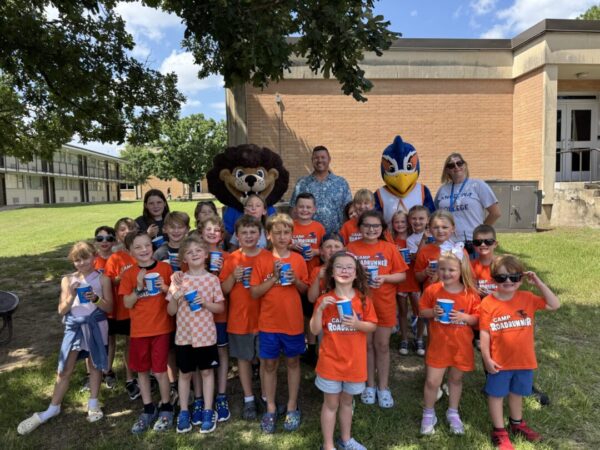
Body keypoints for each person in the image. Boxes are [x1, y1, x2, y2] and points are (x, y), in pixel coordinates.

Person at [17, 242, 113, 435]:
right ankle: (54, 407)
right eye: (77, 260)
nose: (81, 263)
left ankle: (93, 403)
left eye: (85, 258)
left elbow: (109, 308)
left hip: (96, 326)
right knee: (64, 368)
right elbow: (61, 310)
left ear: (94, 257)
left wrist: (95, 298)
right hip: (74, 327)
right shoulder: (67, 280)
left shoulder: (103, 279)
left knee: (94, 365)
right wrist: (70, 296)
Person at [479, 255, 559, 449]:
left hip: (524, 361)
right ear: (493, 279)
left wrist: (538, 283)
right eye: (502, 277)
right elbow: (484, 334)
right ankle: (499, 431)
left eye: (514, 277)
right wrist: (487, 358)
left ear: (521, 279)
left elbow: (555, 304)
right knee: (496, 395)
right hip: (500, 362)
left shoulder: (527, 298)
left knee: (517, 393)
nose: (508, 281)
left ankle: (517, 424)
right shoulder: (488, 303)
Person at [310, 251, 377, 450]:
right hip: (330, 362)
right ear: (331, 272)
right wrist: (320, 309)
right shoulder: (324, 299)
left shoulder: (364, 300)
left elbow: (372, 326)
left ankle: (346, 440)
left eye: (349, 267)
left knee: (347, 403)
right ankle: (328, 445)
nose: (345, 270)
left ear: (356, 273)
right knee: (331, 404)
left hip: (354, 363)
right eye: (339, 266)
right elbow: (313, 330)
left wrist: (357, 323)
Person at [250, 213, 309, 434]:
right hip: (268, 323)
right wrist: (273, 278)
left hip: (292, 322)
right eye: (277, 232)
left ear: (292, 235)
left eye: (286, 232)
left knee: (293, 363)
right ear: (269, 235)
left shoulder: (298, 259)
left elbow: (305, 291)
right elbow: (254, 292)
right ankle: (271, 407)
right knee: (269, 365)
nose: (282, 236)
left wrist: (295, 280)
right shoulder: (262, 259)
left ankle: (292, 406)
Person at [418, 242, 480, 435]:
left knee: (455, 380)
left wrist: (465, 317)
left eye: (451, 270)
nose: (446, 273)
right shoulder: (433, 290)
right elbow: (421, 311)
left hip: (461, 347)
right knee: (431, 382)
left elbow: (478, 318)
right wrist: (432, 312)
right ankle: (428, 413)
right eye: (442, 269)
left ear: (461, 270)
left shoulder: (470, 294)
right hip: (438, 345)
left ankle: (452, 412)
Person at [347, 210, 407, 408]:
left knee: (382, 346)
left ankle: (383, 387)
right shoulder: (352, 248)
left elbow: (402, 275)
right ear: (360, 227)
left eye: (376, 226)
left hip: (384, 303)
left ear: (382, 228)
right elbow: (343, 273)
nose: (371, 229)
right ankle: (369, 385)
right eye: (367, 225)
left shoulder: (390, 248)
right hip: (361, 304)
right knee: (367, 346)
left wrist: (385, 278)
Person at [167, 236, 225, 434]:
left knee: (207, 372)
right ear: (183, 257)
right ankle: (184, 411)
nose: (194, 255)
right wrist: (175, 297)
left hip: (206, 336)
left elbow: (220, 308)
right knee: (185, 374)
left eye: (198, 251)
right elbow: (171, 312)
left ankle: (208, 410)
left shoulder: (212, 279)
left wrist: (205, 303)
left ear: (206, 255)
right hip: (184, 336)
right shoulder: (178, 279)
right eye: (189, 252)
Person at [120, 231, 174, 434]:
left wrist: (164, 287)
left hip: (161, 328)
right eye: (138, 247)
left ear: (152, 246)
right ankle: (148, 407)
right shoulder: (129, 274)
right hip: (139, 331)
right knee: (142, 370)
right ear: (130, 252)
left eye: (147, 245)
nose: (144, 250)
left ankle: (167, 406)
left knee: (160, 370)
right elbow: (127, 302)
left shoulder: (165, 268)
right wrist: (139, 286)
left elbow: (174, 296)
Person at [219, 215, 270, 420]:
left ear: (260, 235)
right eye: (244, 233)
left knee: (266, 360)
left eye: (253, 232)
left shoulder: (268, 257)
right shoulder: (232, 259)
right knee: (244, 359)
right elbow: (223, 289)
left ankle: (267, 397)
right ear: (237, 236)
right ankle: (249, 397)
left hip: (265, 317)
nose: (249, 236)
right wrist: (234, 276)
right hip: (240, 318)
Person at [199, 215, 231, 422]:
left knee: (221, 350)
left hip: (219, 312)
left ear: (221, 235)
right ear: (201, 232)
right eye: (208, 229)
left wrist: (218, 272)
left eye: (216, 230)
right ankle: (200, 396)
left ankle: (221, 394)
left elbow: (228, 288)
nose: (212, 233)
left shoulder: (227, 256)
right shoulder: (195, 254)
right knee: (200, 352)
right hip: (198, 316)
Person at [103, 218, 139, 401]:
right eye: (123, 229)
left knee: (130, 343)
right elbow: (107, 282)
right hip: (117, 308)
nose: (127, 231)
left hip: (134, 309)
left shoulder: (140, 252)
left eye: (131, 228)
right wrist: (122, 278)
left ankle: (130, 378)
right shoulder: (115, 258)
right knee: (111, 341)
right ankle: (106, 371)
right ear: (117, 235)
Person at [434, 153, 501, 244]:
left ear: (465, 165)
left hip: (471, 242)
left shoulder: (478, 185)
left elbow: (495, 213)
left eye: (459, 163)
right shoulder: (443, 189)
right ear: (447, 170)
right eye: (451, 165)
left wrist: (480, 232)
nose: (456, 167)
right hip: (447, 243)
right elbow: (435, 215)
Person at [291, 192, 326, 366]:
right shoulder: (291, 226)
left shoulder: (319, 227)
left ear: (314, 209)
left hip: (313, 277)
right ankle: (301, 344)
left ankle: (312, 349)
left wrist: (316, 252)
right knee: (300, 313)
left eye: (308, 207)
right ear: (296, 209)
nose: (304, 210)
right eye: (301, 207)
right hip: (295, 276)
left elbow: (325, 249)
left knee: (312, 312)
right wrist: (291, 246)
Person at [290, 145, 352, 235]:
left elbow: (349, 210)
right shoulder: (302, 183)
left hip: (336, 237)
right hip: (308, 236)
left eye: (323, 157)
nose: (319, 160)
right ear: (312, 160)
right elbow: (294, 210)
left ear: (329, 159)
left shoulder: (341, 183)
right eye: (316, 158)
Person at [391, 211, 424, 356]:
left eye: (403, 222)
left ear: (408, 223)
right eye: (397, 222)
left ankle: (419, 339)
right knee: (403, 312)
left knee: (420, 311)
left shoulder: (414, 238)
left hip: (415, 278)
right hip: (401, 280)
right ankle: (404, 339)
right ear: (393, 224)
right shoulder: (391, 241)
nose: (400, 225)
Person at [415, 211, 467, 290]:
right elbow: (418, 278)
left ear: (453, 228)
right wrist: (425, 272)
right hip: (431, 296)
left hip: (455, 295)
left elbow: (467, 276)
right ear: (430, 229)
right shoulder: (424, 251)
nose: (440, 231)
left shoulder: (459, 249)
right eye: (436, 227)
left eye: (444, 227)